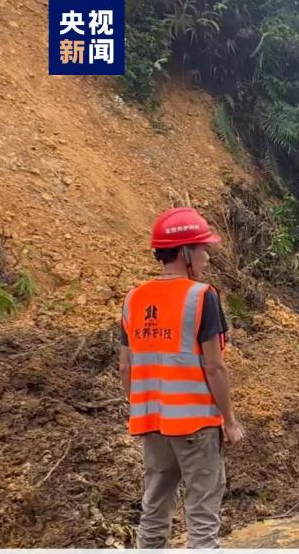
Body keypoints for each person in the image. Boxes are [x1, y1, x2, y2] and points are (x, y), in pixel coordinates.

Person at [119, 206, 245, 549]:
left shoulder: (133, 299)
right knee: (203, 515)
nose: (206, 255)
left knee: (154, 509)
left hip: (152, 423)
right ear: (185, 251)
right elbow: (215, 366)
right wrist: (230, 421)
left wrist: (142, 409)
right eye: (202, 248)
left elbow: (126, 367)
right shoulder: (202, 296)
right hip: (195, 426)